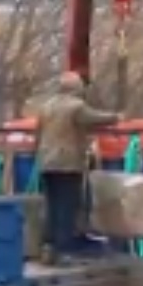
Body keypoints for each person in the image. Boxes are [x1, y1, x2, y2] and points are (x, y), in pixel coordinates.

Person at [34, 72, 120, 260]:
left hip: (47, 162)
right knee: (68, 206)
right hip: (67, 163)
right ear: (77, 88)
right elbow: (94, 118)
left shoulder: (46, 106)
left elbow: (37, 134)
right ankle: (64, 249)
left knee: (53, 205)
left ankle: (48, 246)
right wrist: (116, 117)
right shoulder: (76, 107)